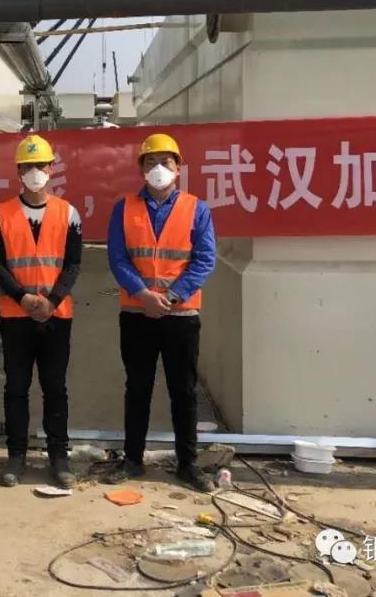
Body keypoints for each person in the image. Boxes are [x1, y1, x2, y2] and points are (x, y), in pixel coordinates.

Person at [105, 133, 217, 492]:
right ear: (140, 168)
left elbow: (204, 260)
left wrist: (170, 296)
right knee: (137, 388)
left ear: (178, 168)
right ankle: (132, 459)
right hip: (136, 314)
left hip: (180, 316)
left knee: (183, 391)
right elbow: (118, 257)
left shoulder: (196, 209)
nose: (158, 169)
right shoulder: (124, 208)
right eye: (150, 162)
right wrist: (142, 294)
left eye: (165, 162)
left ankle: (188, 463)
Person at [0, 134, 82, 488]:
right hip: (16, 316)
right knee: (16, 387)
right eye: (27, 166)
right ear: (18, 171)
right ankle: (16, 454)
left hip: (56, 315)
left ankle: (59, 456)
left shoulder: (68, 213)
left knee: (55, 388)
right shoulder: (0, 215)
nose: (34, 172)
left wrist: (52, 301)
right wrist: (22, 297)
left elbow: (72, 264)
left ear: (51, 168)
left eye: (40, 165)